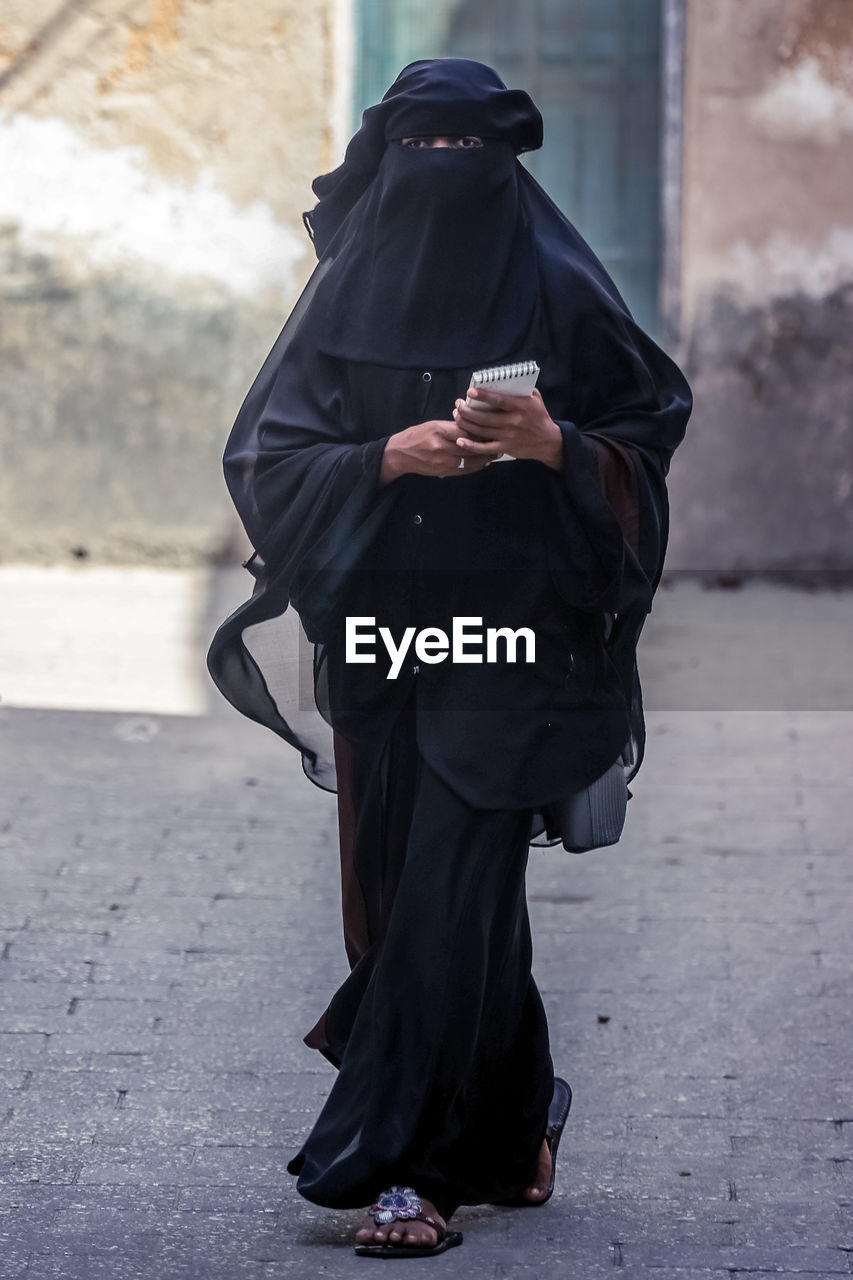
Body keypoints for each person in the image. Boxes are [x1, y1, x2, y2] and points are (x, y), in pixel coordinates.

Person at [208, 58, 691, 1258]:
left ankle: (402, 1170)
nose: (442, 176)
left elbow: (644, 432)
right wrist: (384, 460)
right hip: (383, 636)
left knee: (451, 884)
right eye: (419, 152)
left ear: (505, 164)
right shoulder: (346, 293)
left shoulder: (559, 284)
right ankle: (520, 1118)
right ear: (389, 161)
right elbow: (266, 459)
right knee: (410, 897)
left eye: (466, 156)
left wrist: (553, 443)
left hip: (516, 638)